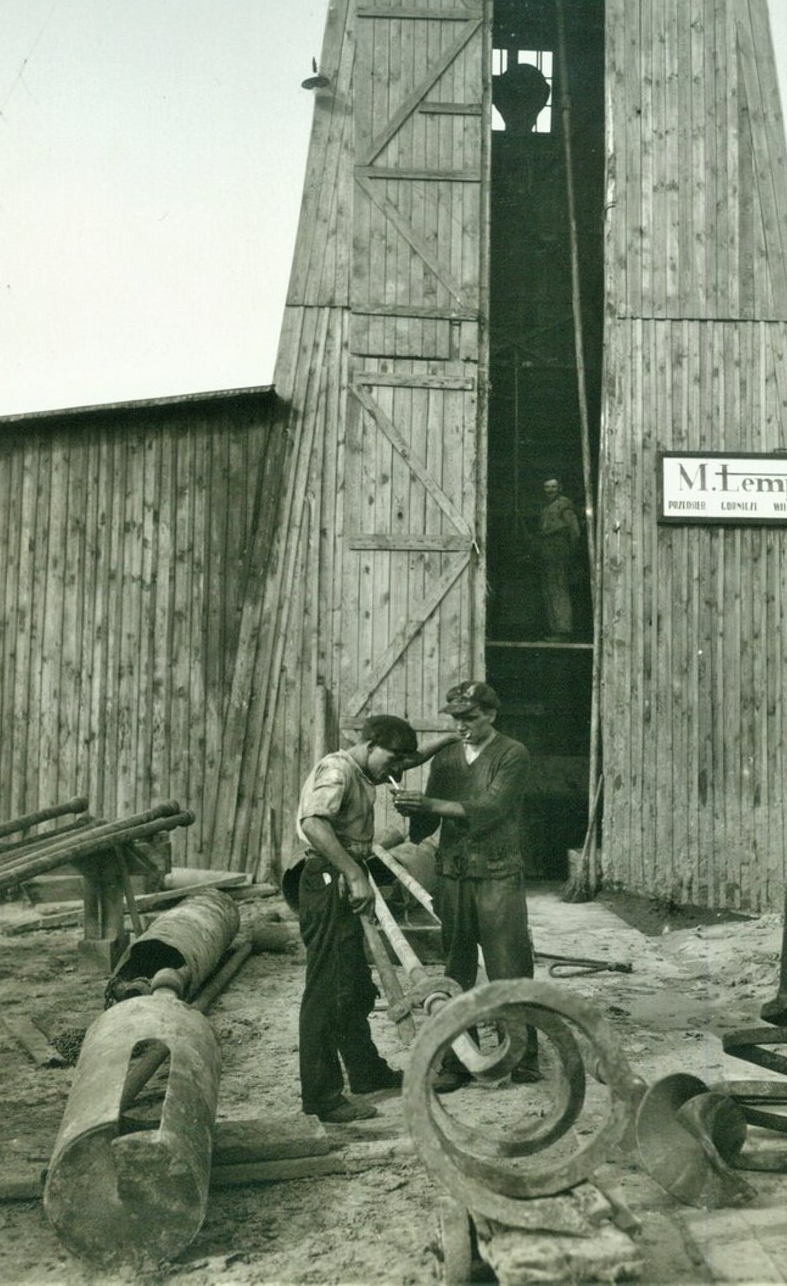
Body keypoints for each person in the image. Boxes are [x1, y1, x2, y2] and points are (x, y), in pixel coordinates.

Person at [283, 715, 457, 1124]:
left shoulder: (368, 769)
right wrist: (354, 872)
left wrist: (447, 739)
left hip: (340, 877)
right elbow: (313, 823)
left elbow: (407, 760)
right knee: (327, 989)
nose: (396, 772)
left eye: (401, 764)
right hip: (327, 879)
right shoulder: (338, 769)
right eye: (392, 761)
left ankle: (365, 1072)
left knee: (355, 986)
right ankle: (322, 1097)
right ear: (371, 744)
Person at [392, 681, 541, 1091]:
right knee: (456, 964)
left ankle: (524, 1054)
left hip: (497, 874)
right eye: (456, 719)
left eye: (470, 718)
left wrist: (428, 804)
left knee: (507, 964)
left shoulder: (512, 754)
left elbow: (492, 809)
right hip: (453, 874)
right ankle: (460, 1060)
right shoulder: (447, 759)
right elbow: (429, 820)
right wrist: (409, 808)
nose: (462, 727)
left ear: (491, 715)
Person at [536, 477, 581, 640]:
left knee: (559, 590)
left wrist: (571, 553)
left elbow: (575, 531)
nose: (550, 490)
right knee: (549, 590)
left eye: (553, 486)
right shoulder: (545, 508)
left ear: (559, 488)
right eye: (547, 487)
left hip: (559, 552)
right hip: (547, 554)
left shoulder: (564, 505)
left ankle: (563, 630)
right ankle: (556, 630)